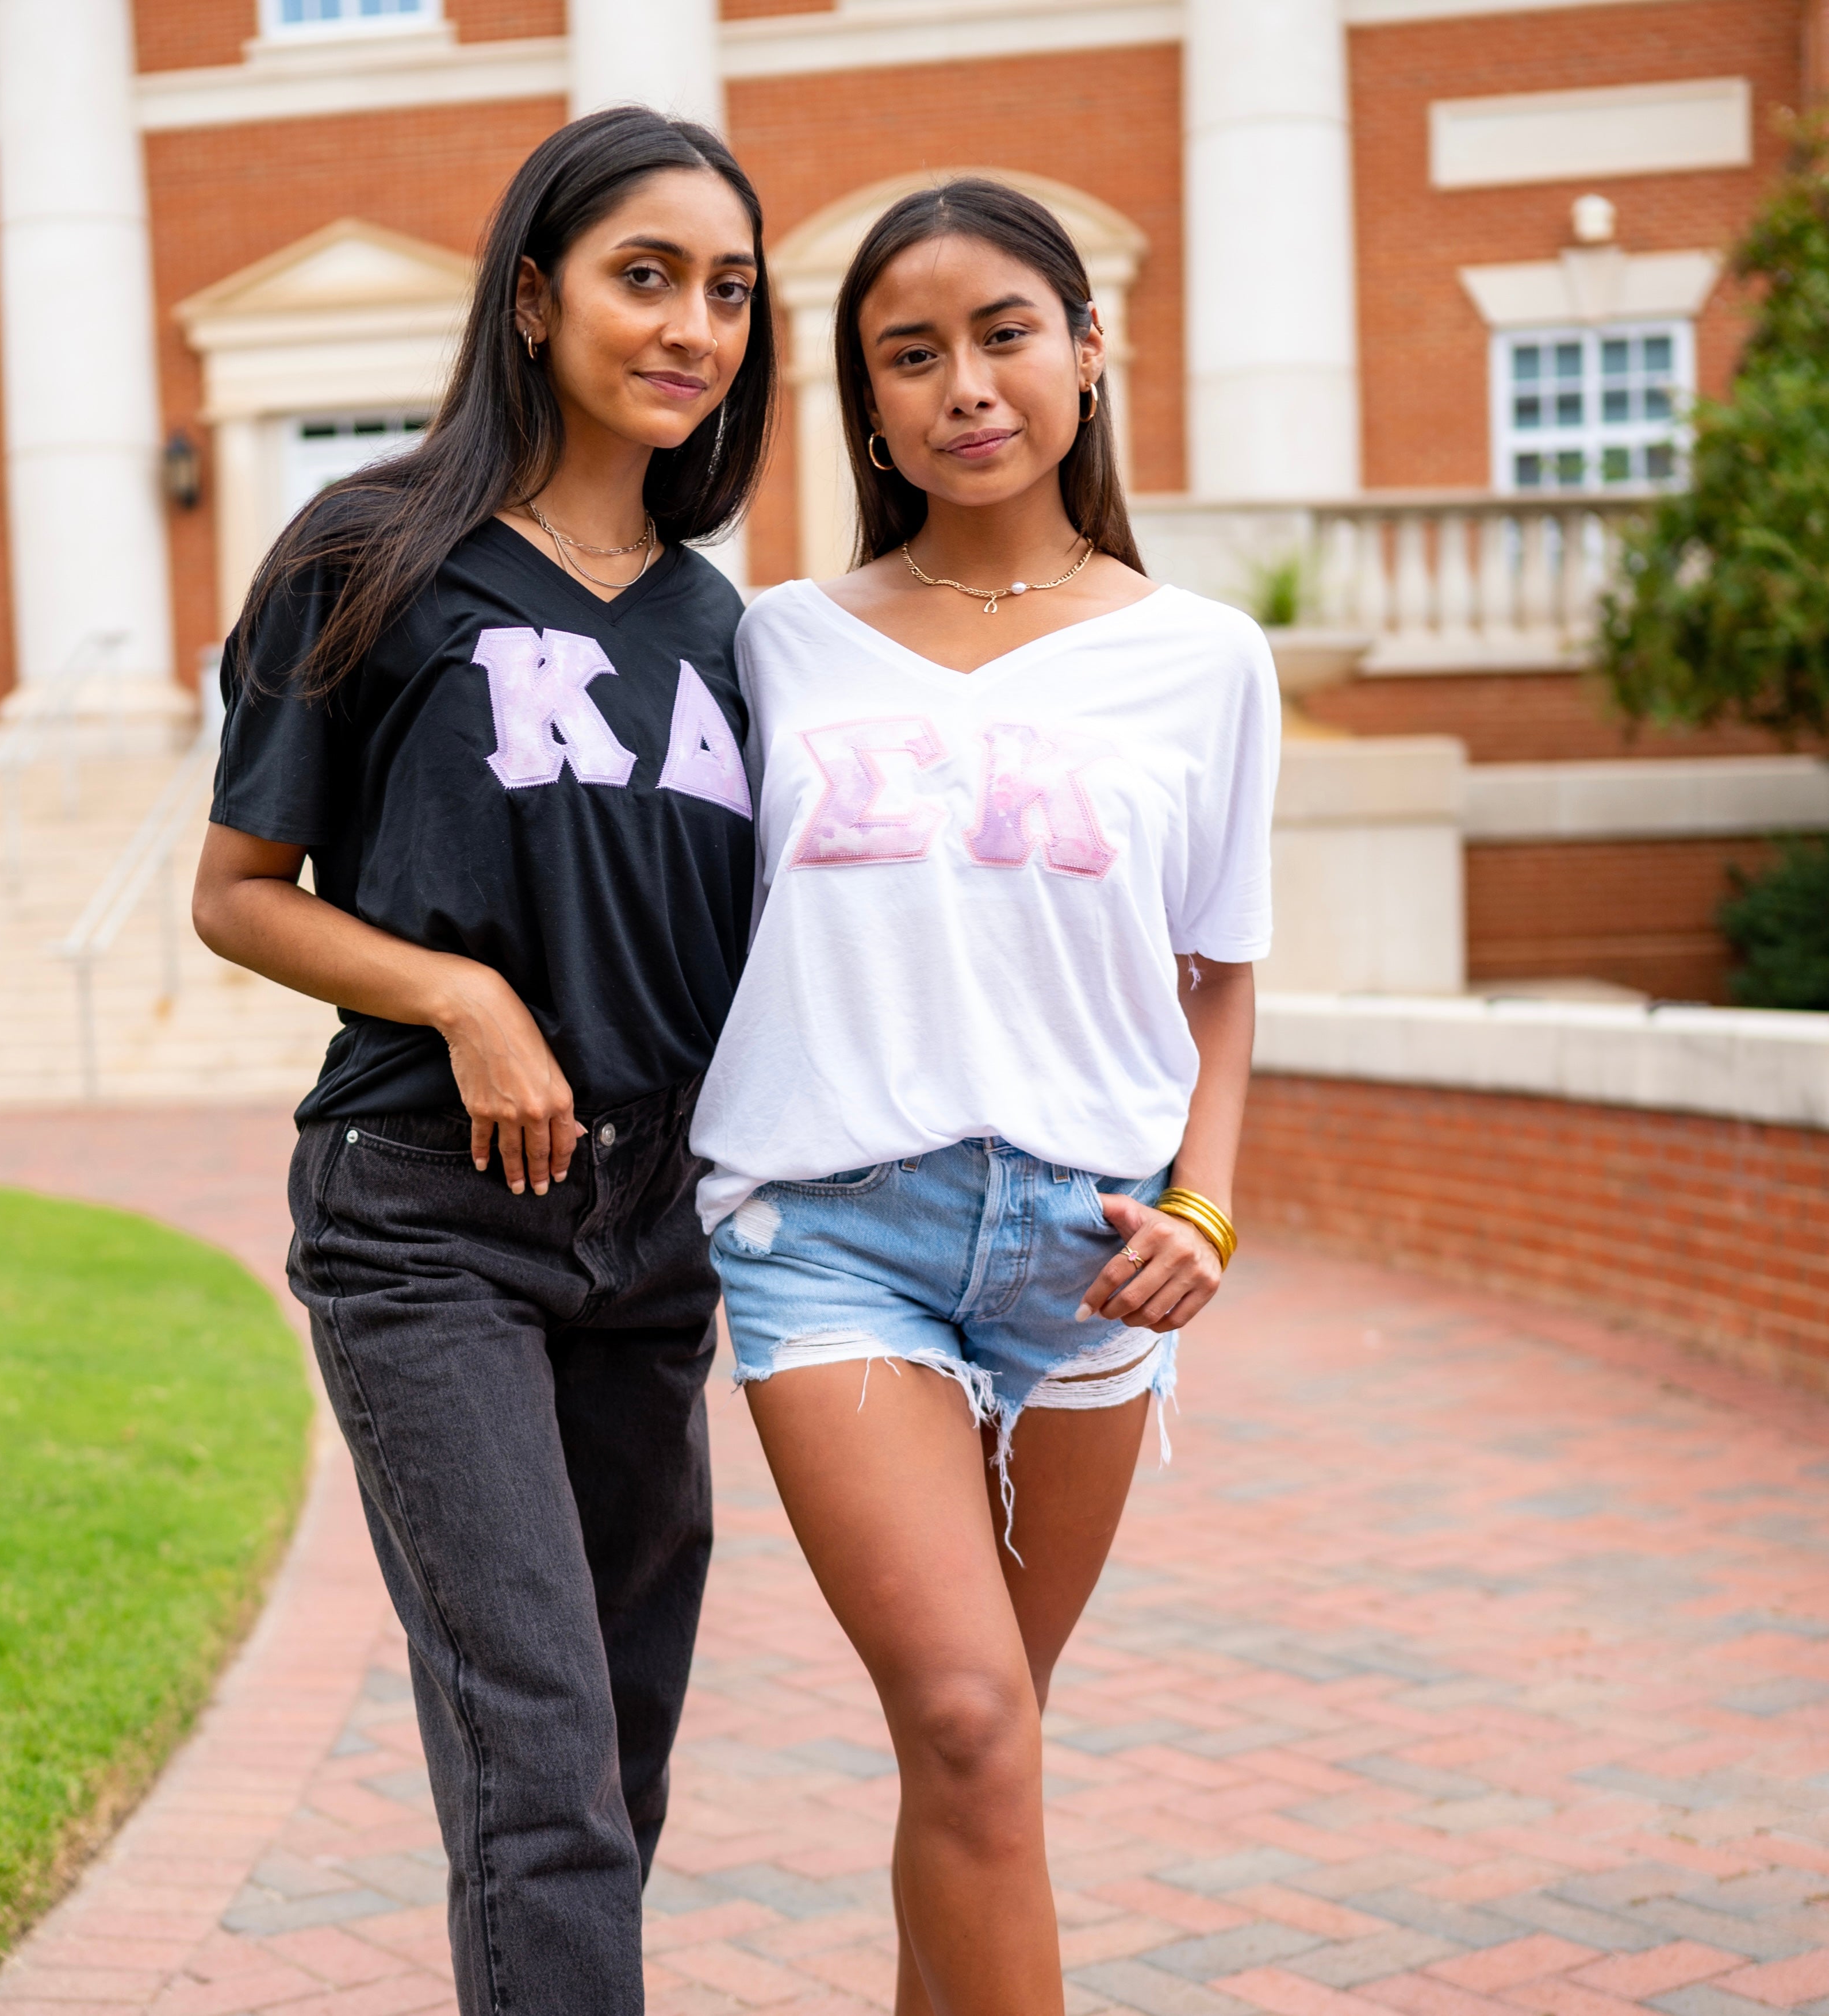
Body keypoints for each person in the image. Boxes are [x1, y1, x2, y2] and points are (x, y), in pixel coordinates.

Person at [191, 107, 775, 2016]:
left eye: (729, 292)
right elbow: (239, 893)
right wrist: (460, 994)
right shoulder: (375, 553)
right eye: (644, 276)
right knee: (541, 1765)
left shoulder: (724, 626)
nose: (692, 325)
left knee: (614, 1751)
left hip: (652, 1228)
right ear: (531, 298)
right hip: (428, 1218)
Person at [690, 179, 1278, 2015]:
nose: (965, 384)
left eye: (1005, 332)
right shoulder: (769, 643)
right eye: (909, 352)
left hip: (1091, 1254)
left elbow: (1224, 969)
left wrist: (1206, 1203)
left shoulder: (1203, 658)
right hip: (827, 1231)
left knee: (986, 1752)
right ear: (863, 406)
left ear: (1087, 354)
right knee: (959, 1712)